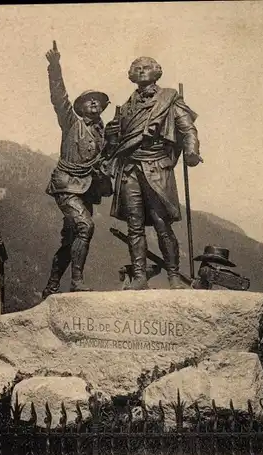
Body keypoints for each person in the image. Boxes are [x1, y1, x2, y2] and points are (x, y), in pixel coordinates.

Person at [104, 56, 203, 290]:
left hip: (157, 167)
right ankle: (139, 276)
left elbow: (188, 129)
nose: (140, 70)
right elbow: (115, 143)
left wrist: (191, 151)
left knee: (161, 223)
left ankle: (174, 276)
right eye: (135, 68)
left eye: (146, 67)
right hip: (129, 170)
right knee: (134, 225)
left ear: (157, 72)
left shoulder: (169, 99)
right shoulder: (126, 107)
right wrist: (111, 137)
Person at [42, 41, 112, 298]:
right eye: (89, 101)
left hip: (86, 189)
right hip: (67, 185)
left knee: (71, 240)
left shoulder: (104, 133)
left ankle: (51, 286)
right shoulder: (71, 122)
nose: (94, 104)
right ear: (80, 107)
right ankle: (76, 282)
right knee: (86, 227)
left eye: (98, 102)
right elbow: (59, 97)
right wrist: (54, 66)